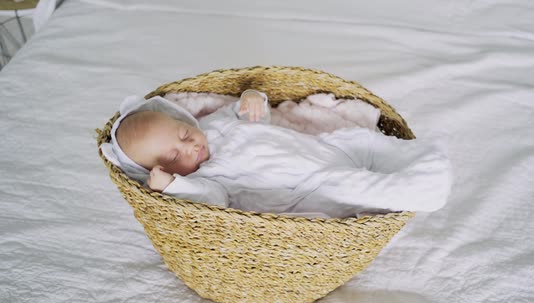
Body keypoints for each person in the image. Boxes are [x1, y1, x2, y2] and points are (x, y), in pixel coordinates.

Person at [101, 90, 452, 218]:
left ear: (185, 120)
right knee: (349, 185)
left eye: (184, 134)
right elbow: (211, 201)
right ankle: (423, 188)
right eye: (176, 157)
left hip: (322, 148)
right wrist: (174, 186)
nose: (191, 147)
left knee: (359, 140)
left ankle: (421, 157)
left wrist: (253, 97)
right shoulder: (202, 181)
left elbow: (247, 113)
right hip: (311, 186)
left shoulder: (213, 128)